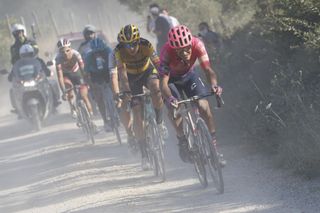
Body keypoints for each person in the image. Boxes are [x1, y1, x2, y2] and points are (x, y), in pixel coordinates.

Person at [159, 25, 226, 166]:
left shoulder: (197, 44)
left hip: (189, 77)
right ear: (173, 48)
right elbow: (163, 83)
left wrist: (214, 85)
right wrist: (170, 98)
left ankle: (214, 150)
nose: (185, 53)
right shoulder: (166, 52)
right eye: (180, 50)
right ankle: (182, 139)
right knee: (175, 109)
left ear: (191, 43)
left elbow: (207, 70)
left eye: (187, 48)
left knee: (204, 106)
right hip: (171, 81)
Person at [111, 24, 168, 170]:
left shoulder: (146, 44)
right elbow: (122, 73)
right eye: (127, 44)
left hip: (147, 71)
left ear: (138, 40)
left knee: (156, 88)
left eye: (133, 43)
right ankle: (144, 156)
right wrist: (127, 91)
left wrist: (165, 81)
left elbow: (158, 65)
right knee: (136, 112)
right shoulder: (118, 51)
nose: (130, 48)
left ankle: (160, 122)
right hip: (131, 78)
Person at [55, 38, 93, 118]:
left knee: (84, 96)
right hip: (66, 76)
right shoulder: (58, 59)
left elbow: (83, 69)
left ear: (71, 49)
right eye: (62, 52)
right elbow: (60, 76)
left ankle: (91, 118)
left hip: (77, 74)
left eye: (67, 50)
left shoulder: (76, 54)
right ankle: (72, 108)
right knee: (68, 88)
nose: (65, 53)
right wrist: (63, 91)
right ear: (59, 52)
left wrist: (87, 82)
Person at [84, 37, 113, 132]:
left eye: (100, 52)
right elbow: (86, 75)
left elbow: (117, 68)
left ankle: (118, 112)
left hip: (108, 72)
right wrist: (91, 86)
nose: (98, 54)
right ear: (92, 51)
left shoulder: (109, 51)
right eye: (95, 52)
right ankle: (105, 120)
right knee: (99, 97)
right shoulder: (88, 57)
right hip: (96, 76)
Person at [9, 23, 39, 114]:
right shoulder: (13, 47)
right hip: (22, 69)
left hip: (34, 65)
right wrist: (12, 73)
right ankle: (17, 108)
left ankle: (54, 100)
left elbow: (36, 50)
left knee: (47, 81)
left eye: (20, 32)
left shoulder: (31, 41)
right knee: (13, 89)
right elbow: (13, 61)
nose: (18, 35)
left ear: (23, 32)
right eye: (16, 33)